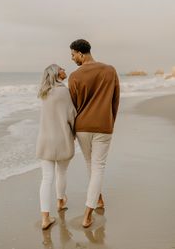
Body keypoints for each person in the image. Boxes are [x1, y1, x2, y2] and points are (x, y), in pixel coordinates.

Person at [68, 39, 120, 228]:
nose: (72, 58)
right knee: (98, 167)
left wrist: (72, 129)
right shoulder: (110, 70)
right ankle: (88, 212)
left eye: (73, 55)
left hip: (82, 127)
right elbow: (115, 100)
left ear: (81, 53)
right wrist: (110, 121)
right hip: (103, 126)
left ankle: (96, 200)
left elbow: (72, 107)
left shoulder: (74, 76)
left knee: (91, 165)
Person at [36, 64, 77, 230]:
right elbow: (71, 115)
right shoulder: (64, 92)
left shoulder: (43, 93)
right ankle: (60, 202)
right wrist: (75, 133)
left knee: (46, 178)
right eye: (61, 69)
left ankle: (45, 218)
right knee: (62, 172)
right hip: (62, 140)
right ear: (56, 73)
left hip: (45, 140)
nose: (64, 70)